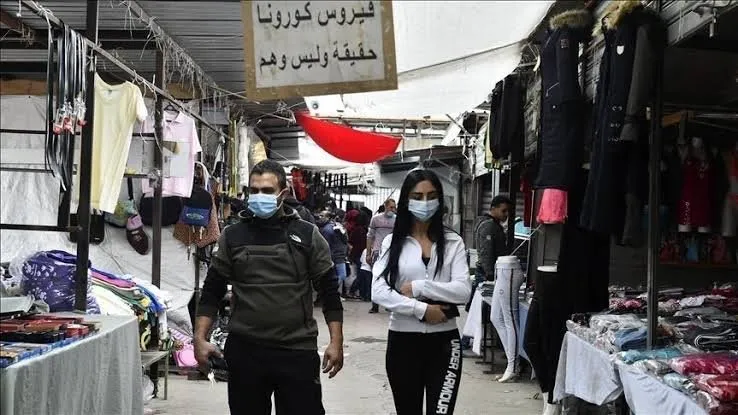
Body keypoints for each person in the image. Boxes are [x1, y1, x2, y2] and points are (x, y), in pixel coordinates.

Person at [194, 159, 344, 415]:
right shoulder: (233, 236)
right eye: (254, 191)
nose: (259, 196)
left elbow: (329, 291)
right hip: (246, 351)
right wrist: (199, 338)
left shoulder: (307, 234)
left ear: (282, 194)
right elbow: (212, 290)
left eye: (267, 191)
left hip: (296, 350)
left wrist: (336, 341)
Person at [372, 169, 472, 415]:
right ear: (406, 200)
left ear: (440, 199)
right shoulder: (392, 243)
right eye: (417, 197)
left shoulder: (453, 242)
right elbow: (379, 291)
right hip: (403, 342)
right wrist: (422, 309)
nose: (425, 203)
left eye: (431, 196)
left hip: (445, 344)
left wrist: (419, 287)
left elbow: (463, 291)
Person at [366, 198, 397, 313]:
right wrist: (368, 253)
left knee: (391, 277)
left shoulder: (396, 220)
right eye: (391, 207)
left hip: (391, 251)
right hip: (378, 251)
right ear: (385, 206)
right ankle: (375, 305)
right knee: (376, 277)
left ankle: (389, 303)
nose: (393, 209)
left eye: (394, 207)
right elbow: (370, 236)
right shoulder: (376, 219)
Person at [317, 210, 350, 297]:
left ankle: (331, 292)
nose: (319, 217)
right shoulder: (335, 227)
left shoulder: (328, 229)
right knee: (341, 275)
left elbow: (325, 245)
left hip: (335, 255)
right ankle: (332, 293)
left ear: (328, 217)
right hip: (338, 255)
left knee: (340, 275)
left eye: (322, 216)